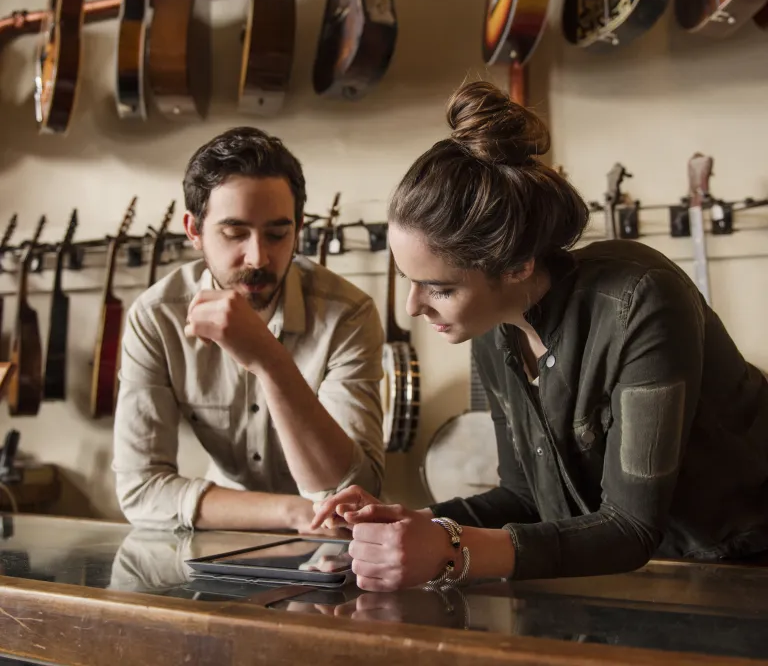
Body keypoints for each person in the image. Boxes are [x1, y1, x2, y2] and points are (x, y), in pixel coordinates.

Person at [312, 80, 768, 591]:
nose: (412, 306)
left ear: (515, 266)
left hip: (745, 570)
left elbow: (631, 527)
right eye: (409, 280)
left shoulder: (641, 300)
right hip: (645, 581)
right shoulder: (492, 325)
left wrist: (450, 550)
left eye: (436, 288)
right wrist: (409, 523)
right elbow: (526, 497)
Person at [113, 127, 385, 533]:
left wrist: (270, 361)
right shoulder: (155, 318)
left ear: (298, 227)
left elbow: (353, 491)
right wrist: (293, 513)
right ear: (194, 231)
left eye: (278, 234)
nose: (258, 257)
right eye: (234, 232)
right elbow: (141, 489)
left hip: (335, 548)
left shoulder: (348, 314)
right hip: (222, 534)